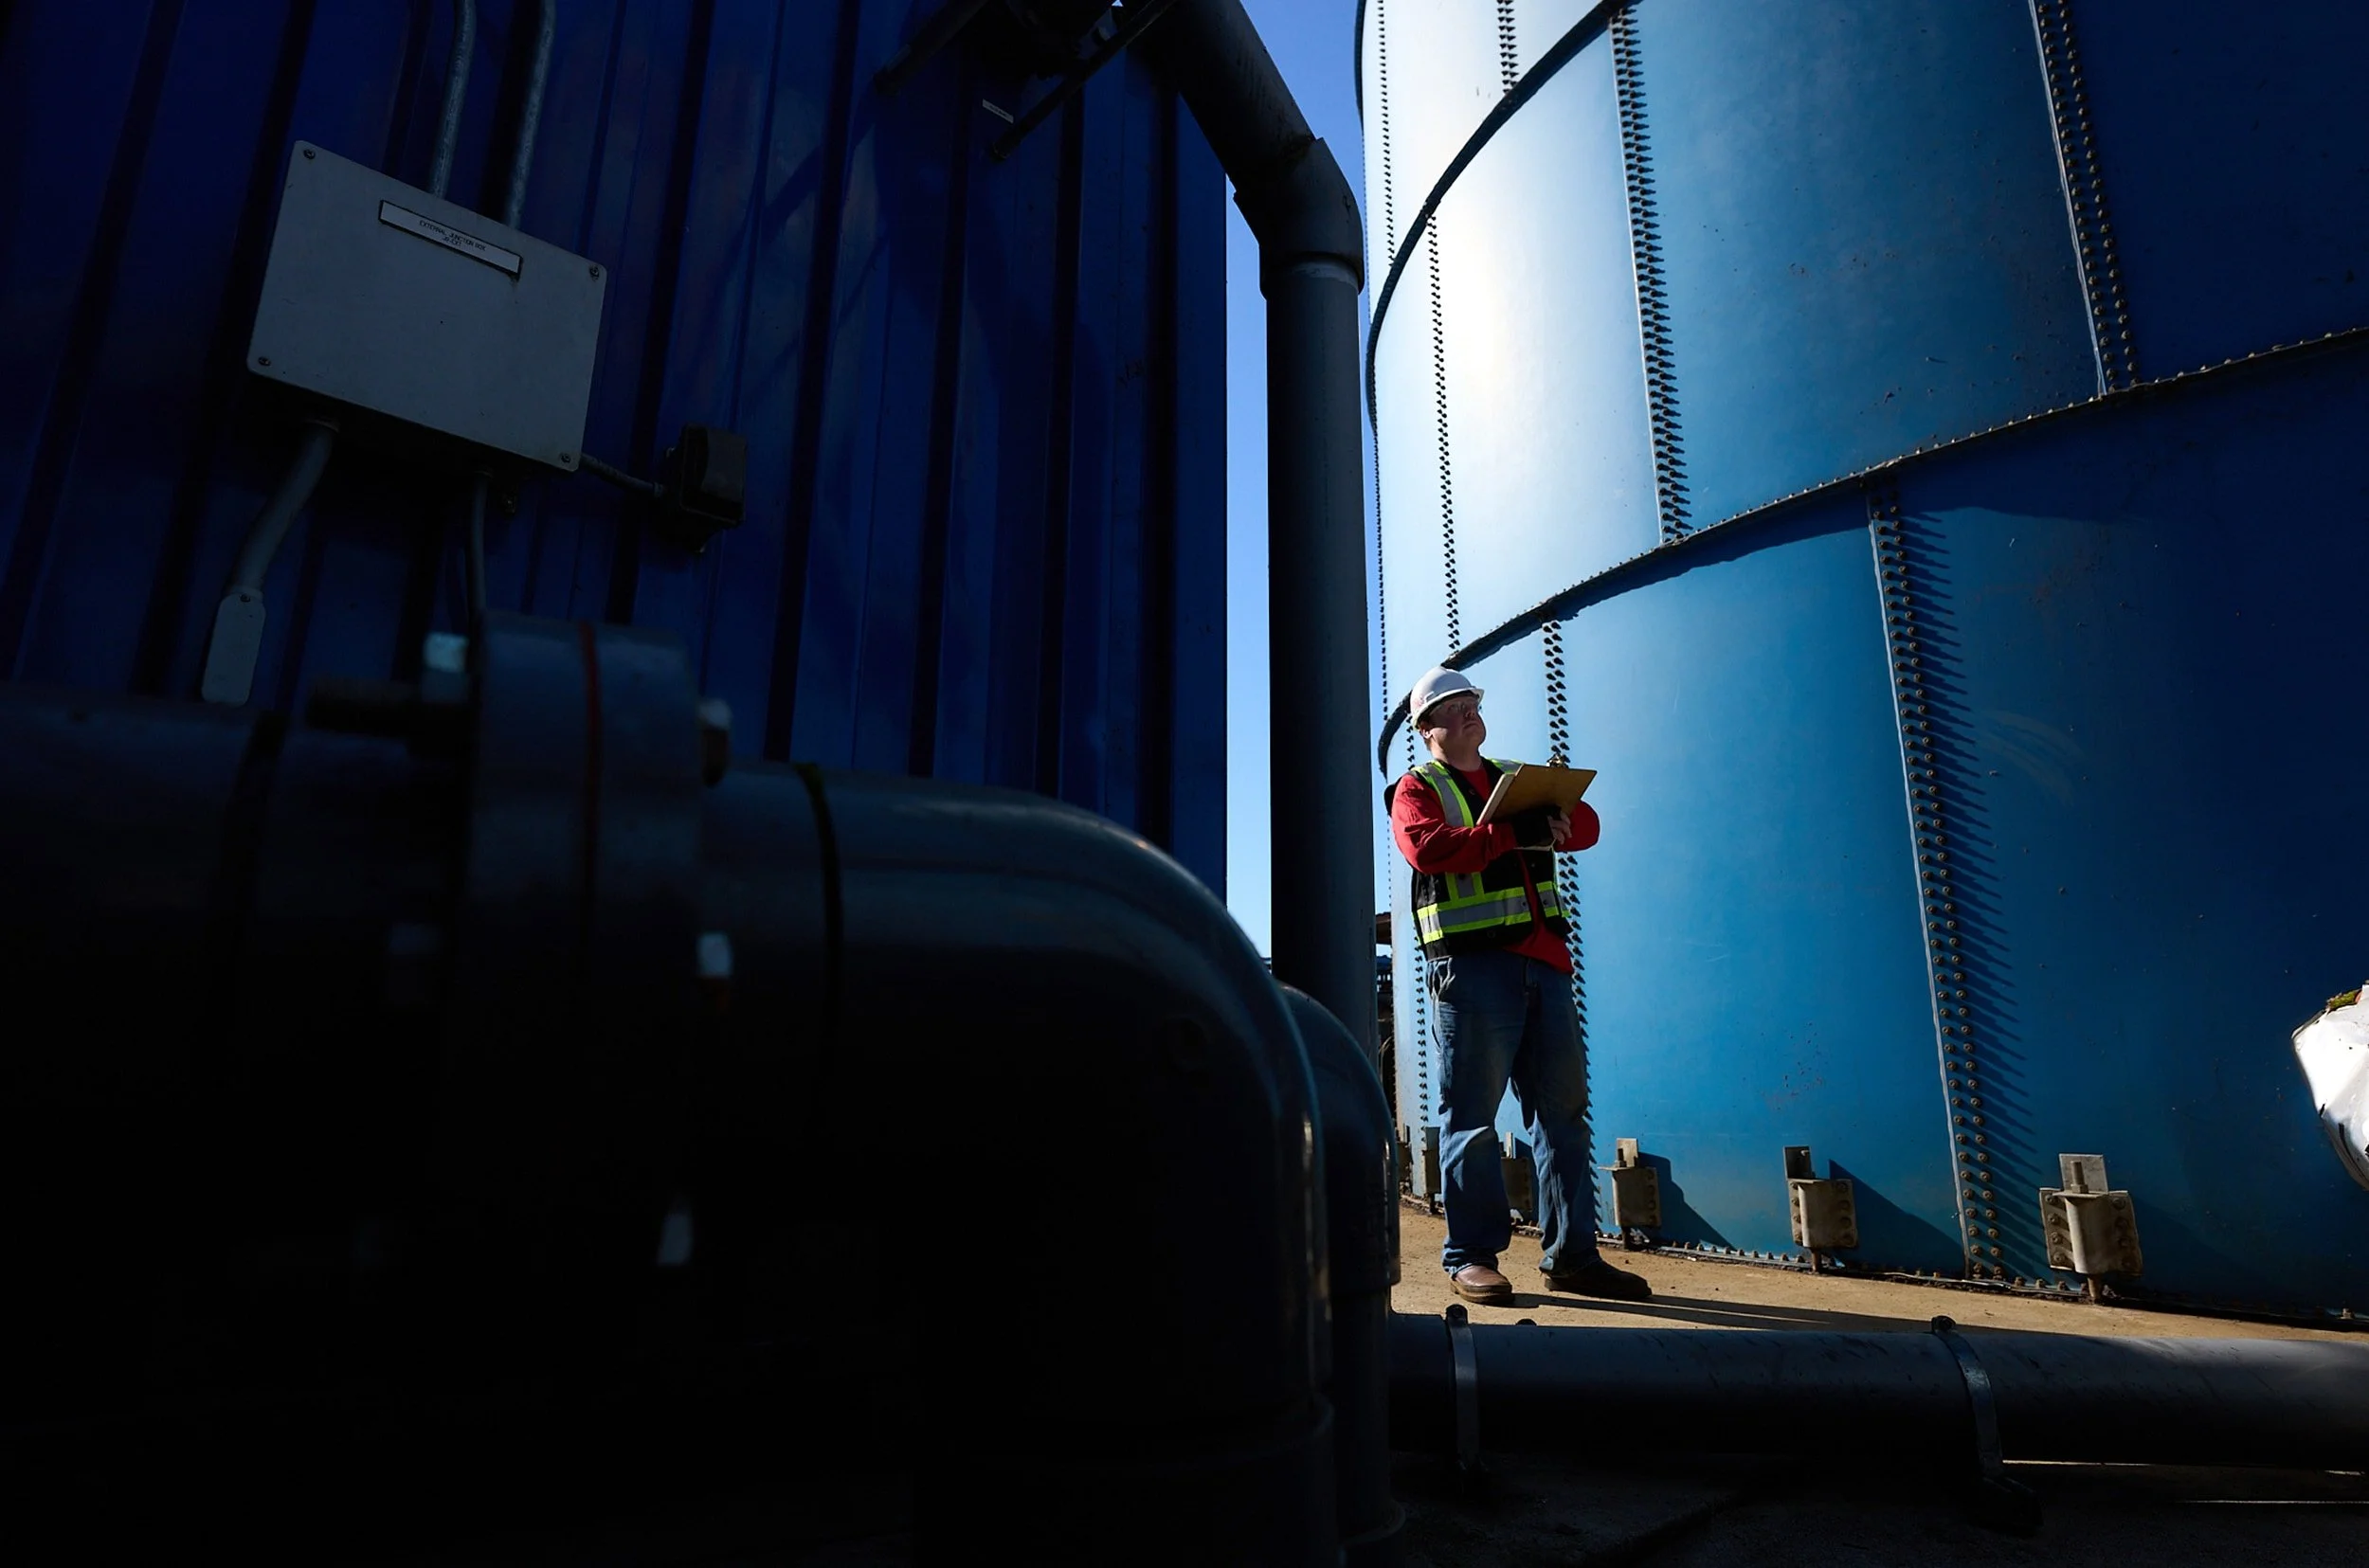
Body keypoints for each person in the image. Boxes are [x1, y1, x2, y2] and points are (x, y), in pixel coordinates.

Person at [1387, 665, 1652, 1306]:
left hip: (1546, 967)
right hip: (1473, 969)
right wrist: (1516, 832)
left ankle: (1572, 1257)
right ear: (1426, 729)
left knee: (1563, 1117)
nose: (1468, 711)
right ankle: (1470, 1256)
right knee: (1472, 1118)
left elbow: (1586, 828)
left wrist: (1556, 821)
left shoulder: (1517, 778)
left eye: (1472, 701)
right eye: (1452, 706)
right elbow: (1428, 849)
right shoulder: (1417, 787)